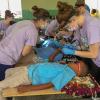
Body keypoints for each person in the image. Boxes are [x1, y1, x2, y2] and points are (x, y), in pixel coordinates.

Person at [0, 6, 50, 81]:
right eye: (47, 21)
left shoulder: (24, 22)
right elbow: (25, 52)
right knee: (3, 84)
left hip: (1, 50)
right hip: (6, 59)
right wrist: (16, 61)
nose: (47, 24)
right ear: (41, 20)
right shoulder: (33, 31)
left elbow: (7, 33)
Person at [0, 59, 88, 100]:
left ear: (78, 71)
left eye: (76, 63)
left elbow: (50, 84)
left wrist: (28, 88)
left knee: (2, 85)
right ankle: (7, 93)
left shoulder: (68, 73)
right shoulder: (65, 67)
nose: (73, 62)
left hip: (28, 76)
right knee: (8, 71)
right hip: (28, 69)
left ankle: (3, 93)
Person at [61, 11, 100, 83]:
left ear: (73, 19)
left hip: (97, 60)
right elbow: (86, 44)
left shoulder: (92, 26)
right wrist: (75, 47)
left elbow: (94, 54)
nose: (70, 28)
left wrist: (73, 52)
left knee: (95, 87)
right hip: (94, 60)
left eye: (69, 26)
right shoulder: (81, 25)